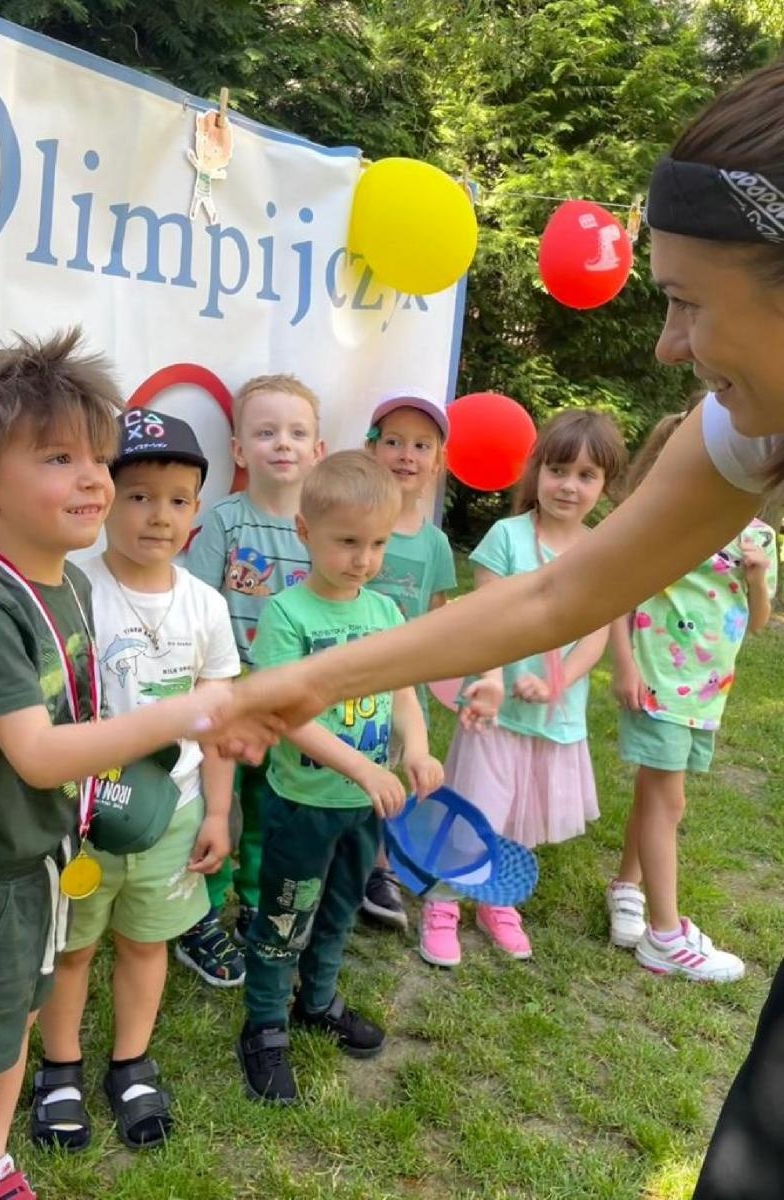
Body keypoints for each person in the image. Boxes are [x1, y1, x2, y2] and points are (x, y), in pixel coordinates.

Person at [228, 59, 784, 1197]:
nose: (666, 349)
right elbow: (541, 601)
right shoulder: (742, 432)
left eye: (685, 300)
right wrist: (293, 684)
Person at [0, 331, 273, 1200]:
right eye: (59, 457)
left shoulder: (65, 580)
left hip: (37, 861)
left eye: (94, 458)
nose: (93, 480)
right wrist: (183, 713)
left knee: (18, 1023)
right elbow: (35, 754)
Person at [31, 409, 240, 1153]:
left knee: (146, 944)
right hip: (81, 818)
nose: (160, 515)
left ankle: (131, 1064)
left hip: (172, 815)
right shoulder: (73, 593)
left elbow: (217, 723)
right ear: (104, 500)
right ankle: (58, 1070)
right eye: (140, 494)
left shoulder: (206, 606)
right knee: (74, 948)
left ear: (196, 512)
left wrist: (217, 812)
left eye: (180, 499)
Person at [237, 451, 443, 1104]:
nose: (364, 559)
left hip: (364, 805)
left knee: (340, 907)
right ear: (306, 533)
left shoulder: (384, 614)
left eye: (378, 543)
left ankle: (317, 1001)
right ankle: (266, 1026)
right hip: (304, 803)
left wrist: (418, 748)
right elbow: (281, 711)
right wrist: (356, 763)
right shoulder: (288, 616)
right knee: (285, 915)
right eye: (348, 542)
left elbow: (402, 689)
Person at [424, 411, 625, 966]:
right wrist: (492, 679)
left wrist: (558, 680)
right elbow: (488, 620)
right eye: (558, 470)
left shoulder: (599, 552)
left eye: (586, 476)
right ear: (536, 471)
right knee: (476, 808)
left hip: (553, 716)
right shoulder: (507, 537)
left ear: (605, 486)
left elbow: (596, 633)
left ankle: (496, 899)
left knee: (523, 814)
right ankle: (443, 902)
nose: (569, 485)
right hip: (493, 708)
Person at [607, 404, 776, 981]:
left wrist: (755, 576)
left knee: (658, 794)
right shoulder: (665, 520)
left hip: (707, 690)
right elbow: (620, 594)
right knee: (667, 800)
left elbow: (758, 623)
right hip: (657, 679)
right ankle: (665, 934)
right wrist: (624, 663)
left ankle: (628, 886)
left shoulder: (760, 537)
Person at [179, 374, 324, 986]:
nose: (282, 445)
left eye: (296, 433)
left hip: (289, 700)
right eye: (265, 432)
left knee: (271, 805)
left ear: (318, 450)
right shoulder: (226, 522)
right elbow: (196, 602)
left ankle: (257, 905)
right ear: (240, 450)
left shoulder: (321, 528)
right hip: (228, 692)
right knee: (216, 807)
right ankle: (201, 917)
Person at [362, 389, 456, 931]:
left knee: (387, 778)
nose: (406, 454)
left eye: (421, 445)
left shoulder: (437, 545)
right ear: (370, 450)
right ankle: (330, 866)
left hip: (399, 691)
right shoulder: (354, 522)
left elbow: (439, 618)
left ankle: (378, 871)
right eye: (393, 441)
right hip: (346, 676)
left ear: (437, 463)